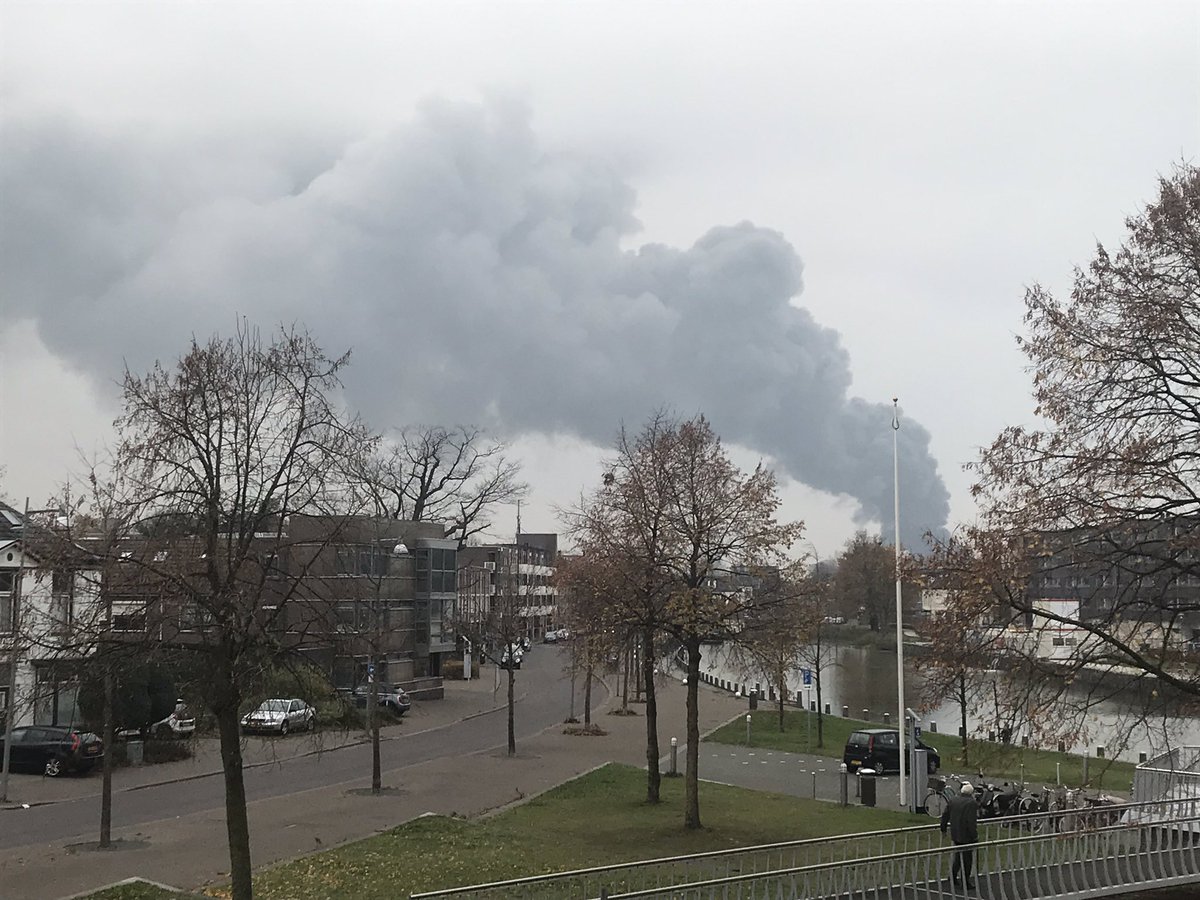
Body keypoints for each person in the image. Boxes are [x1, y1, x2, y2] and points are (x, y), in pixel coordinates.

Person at [941, 781, 979, 889]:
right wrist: (974, 835)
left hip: (956, 833)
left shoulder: (953, 800)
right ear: (971, 793)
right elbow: (971, 822)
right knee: (967, 860)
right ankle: (965, 881)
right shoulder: (971, 803)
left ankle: (953, 876)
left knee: (958, 856)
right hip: (967, 836)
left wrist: (943, 828)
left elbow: (945, 815)